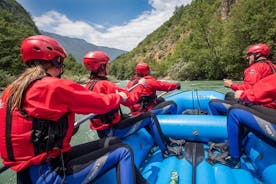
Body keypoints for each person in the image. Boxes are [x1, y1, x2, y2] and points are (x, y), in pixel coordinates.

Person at [0, 35, 147, 184]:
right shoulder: (53, 86)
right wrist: (120, 97)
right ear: (56, 60)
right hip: (48, 174)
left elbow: (33, 125)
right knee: (124, 152)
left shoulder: (12, 90)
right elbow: (101, 104)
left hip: (30, 173)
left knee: (113, 141)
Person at [83, 51, 185, 158]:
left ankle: (163, 139)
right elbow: (131, 100)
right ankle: (166, 149)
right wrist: (141, 85)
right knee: (150, 117)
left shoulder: (88, 86)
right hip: (113, 130)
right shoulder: (107, 85)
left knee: (135, 116)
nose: (109, 66)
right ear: (101, 66)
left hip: (102, 132)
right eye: (107, 64)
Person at [210, 74, 276, 167]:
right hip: (267, 107)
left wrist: (233, 86)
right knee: (231, 97)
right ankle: (236, 145)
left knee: (234, 111)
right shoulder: (270, 66)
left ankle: (234, 159)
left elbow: (254, 89)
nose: (247, 58)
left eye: (249, 57)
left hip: (259, 102)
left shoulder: (258, 67)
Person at [209, 43, 275, 115]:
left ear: (258, 55)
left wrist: (231, 85)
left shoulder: (255, 68)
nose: (247, 58)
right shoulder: (273, 66)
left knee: (213, 103)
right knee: (229, 95)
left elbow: (248, 89)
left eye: (249, 55)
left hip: (259, 105)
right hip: (268, 104)